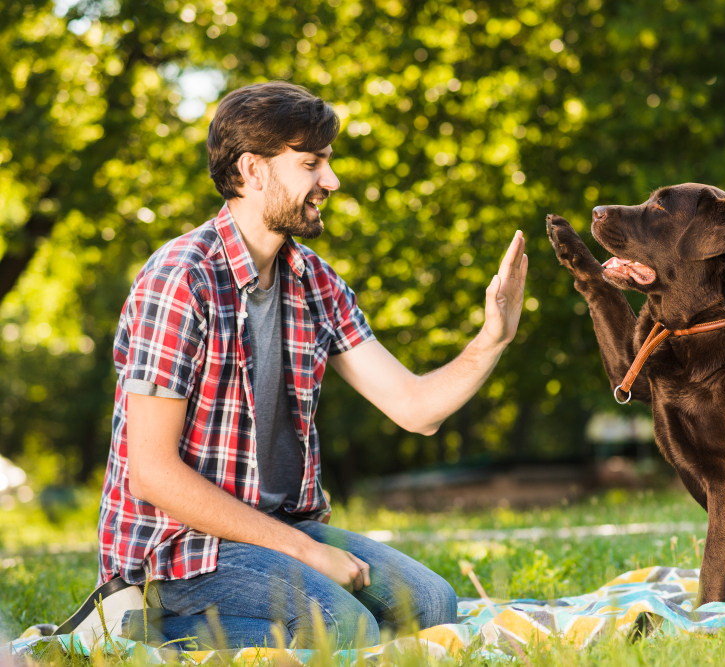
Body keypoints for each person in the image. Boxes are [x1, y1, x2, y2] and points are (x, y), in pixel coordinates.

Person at [96, 81, 528, 649]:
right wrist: (306, 551)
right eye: (311, 163)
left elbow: (417, 409)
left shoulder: (314, 282)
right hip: (181, 548)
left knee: (432, 603)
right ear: (253, 170)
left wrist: (492, 339)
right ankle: (138, 625)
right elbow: (151, 472)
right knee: (344, 627)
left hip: (279, 531)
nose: (332, 180)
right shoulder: (181, 279)